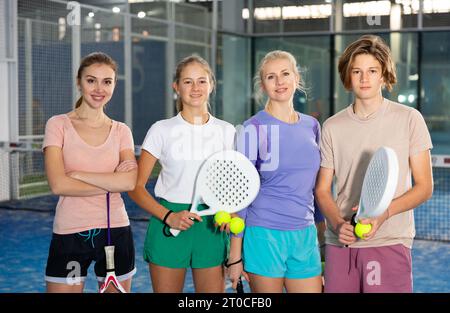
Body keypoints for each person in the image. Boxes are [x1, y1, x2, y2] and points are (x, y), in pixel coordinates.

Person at [315, 35, 433, 293]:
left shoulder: (410, 119)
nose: (364, 78)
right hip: (341, 243)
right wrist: (337, 224)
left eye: (372, 71)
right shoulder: (332, 126)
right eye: (357, 71)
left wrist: (384, 214)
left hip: (389, 240)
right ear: (348, 76)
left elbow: (424, 187)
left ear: (383, 75)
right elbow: (322, 189)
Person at [128, 55, 236, 293]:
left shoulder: (228, 132)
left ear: (211, 85)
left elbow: (231, 186)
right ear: (176, 87)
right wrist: (169, 216)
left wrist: (229, 210)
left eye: (201, 81)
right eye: (187, 82)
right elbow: (135, 187)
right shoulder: (161, 130)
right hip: (169, 223)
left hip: (212, 227)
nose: (195, 88)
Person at [227, 50, 323, 293]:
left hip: (305, 236)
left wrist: (323, 242)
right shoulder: (252, 129)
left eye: (285, 74)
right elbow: (240, 198)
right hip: (264, 235)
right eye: (271, 77)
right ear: (263, 85)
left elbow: (316, 188)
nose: (279, 82)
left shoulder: (312, 126)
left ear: (296, 78)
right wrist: (235, 256)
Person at [43, 52, 138, 293]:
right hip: (69, 232)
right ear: (79, 82)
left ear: (114, 84)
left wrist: (78, 175)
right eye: (91, 80)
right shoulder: (58, 124)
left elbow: (129, 182)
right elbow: (58, 185)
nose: (99, 88)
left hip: (115, 232)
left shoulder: (121, 131)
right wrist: (112, 181)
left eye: (107, 81)